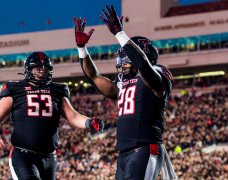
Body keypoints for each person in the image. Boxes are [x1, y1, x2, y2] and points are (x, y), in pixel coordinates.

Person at [74, 5, 177, 180]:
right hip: (124, 151)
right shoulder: (122, 82)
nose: (123, 60)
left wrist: (120, 34)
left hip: (145, 147)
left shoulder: (158, 73)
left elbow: (144, 66)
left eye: (127, 56)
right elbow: (93, 76)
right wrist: (82, 48)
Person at [0, 52, 104, 180]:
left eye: (45, 69)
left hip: (49, 158)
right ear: (28, 69)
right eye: (37, 68)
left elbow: (73, 117)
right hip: (23, 155)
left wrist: (89, 122)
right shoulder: (15, 89)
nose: (42, 72)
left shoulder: (57, 90)